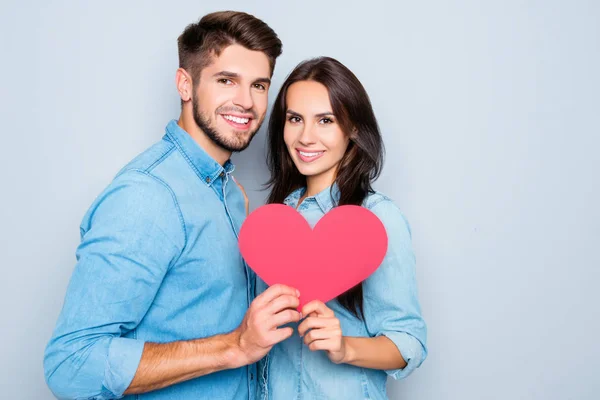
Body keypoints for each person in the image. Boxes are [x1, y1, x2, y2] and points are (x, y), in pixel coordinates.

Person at [43, 11, 302, 400]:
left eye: (260, 85)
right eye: (226, 80)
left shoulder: (230, 192)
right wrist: (234, 346)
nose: (247, 102)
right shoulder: (147, 196)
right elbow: (70, 364)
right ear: (185, 84)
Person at [256, 57, 428, 399]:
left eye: (325, 120)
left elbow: (409, 343)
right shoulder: (277, 215)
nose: (306, 137)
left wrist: (345, 347)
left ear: (352, 128)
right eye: (295, 119)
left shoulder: (377, 219)